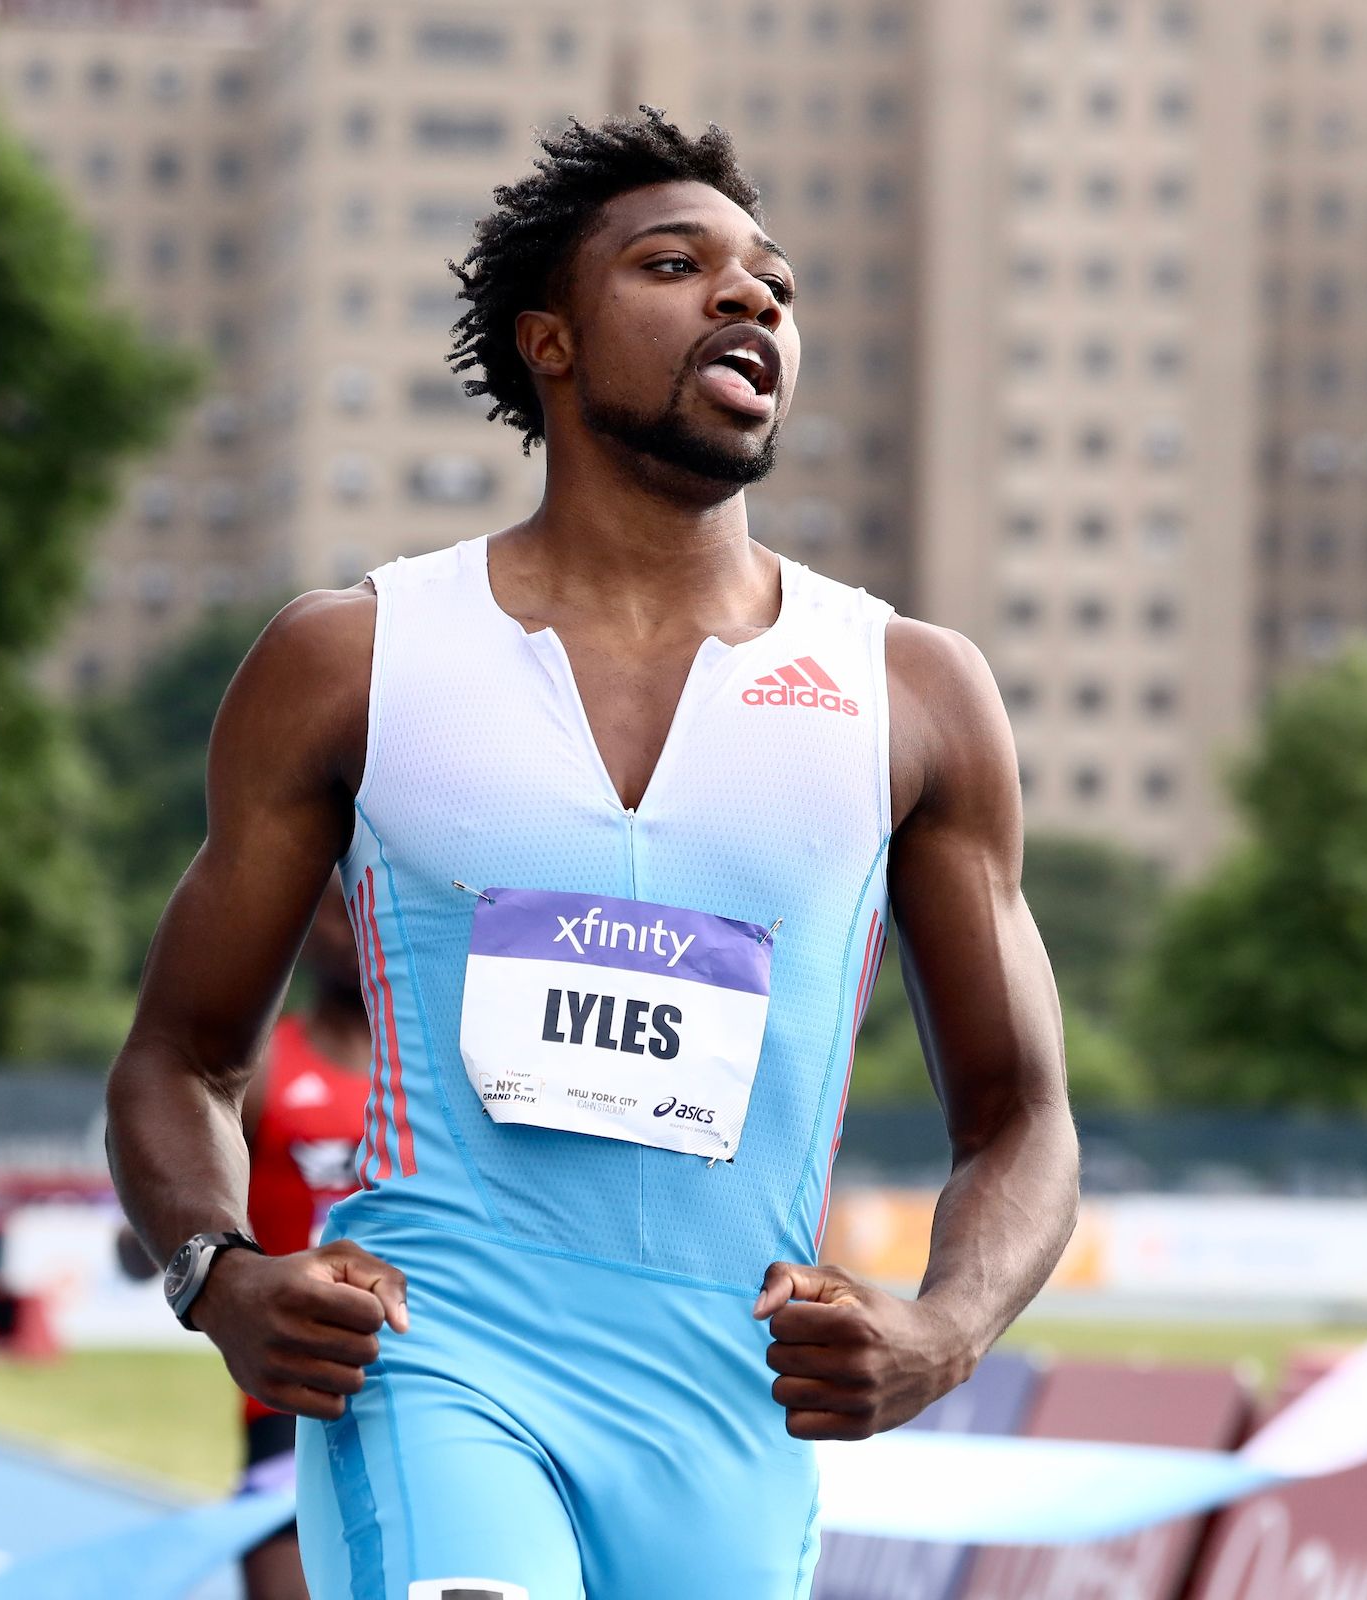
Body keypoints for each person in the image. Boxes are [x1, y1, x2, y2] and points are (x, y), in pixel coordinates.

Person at [106, 110, 1077, 1598]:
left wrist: (945, 1331)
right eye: (677, 266)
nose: (750, 298)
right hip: (435, 1366)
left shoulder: (913, 692)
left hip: (731, 1413)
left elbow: (1020, 1115)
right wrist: (215, 1271)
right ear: (548, 341)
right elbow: (178, 1054)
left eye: (775, 281)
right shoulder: (354, 657)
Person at [237, 880, 373, 1600]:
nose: (355, 922)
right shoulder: (258, 1070)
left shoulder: (453, 1073)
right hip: (289, 1412)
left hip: (425, 1389)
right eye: (334, 904)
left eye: (368, 901)